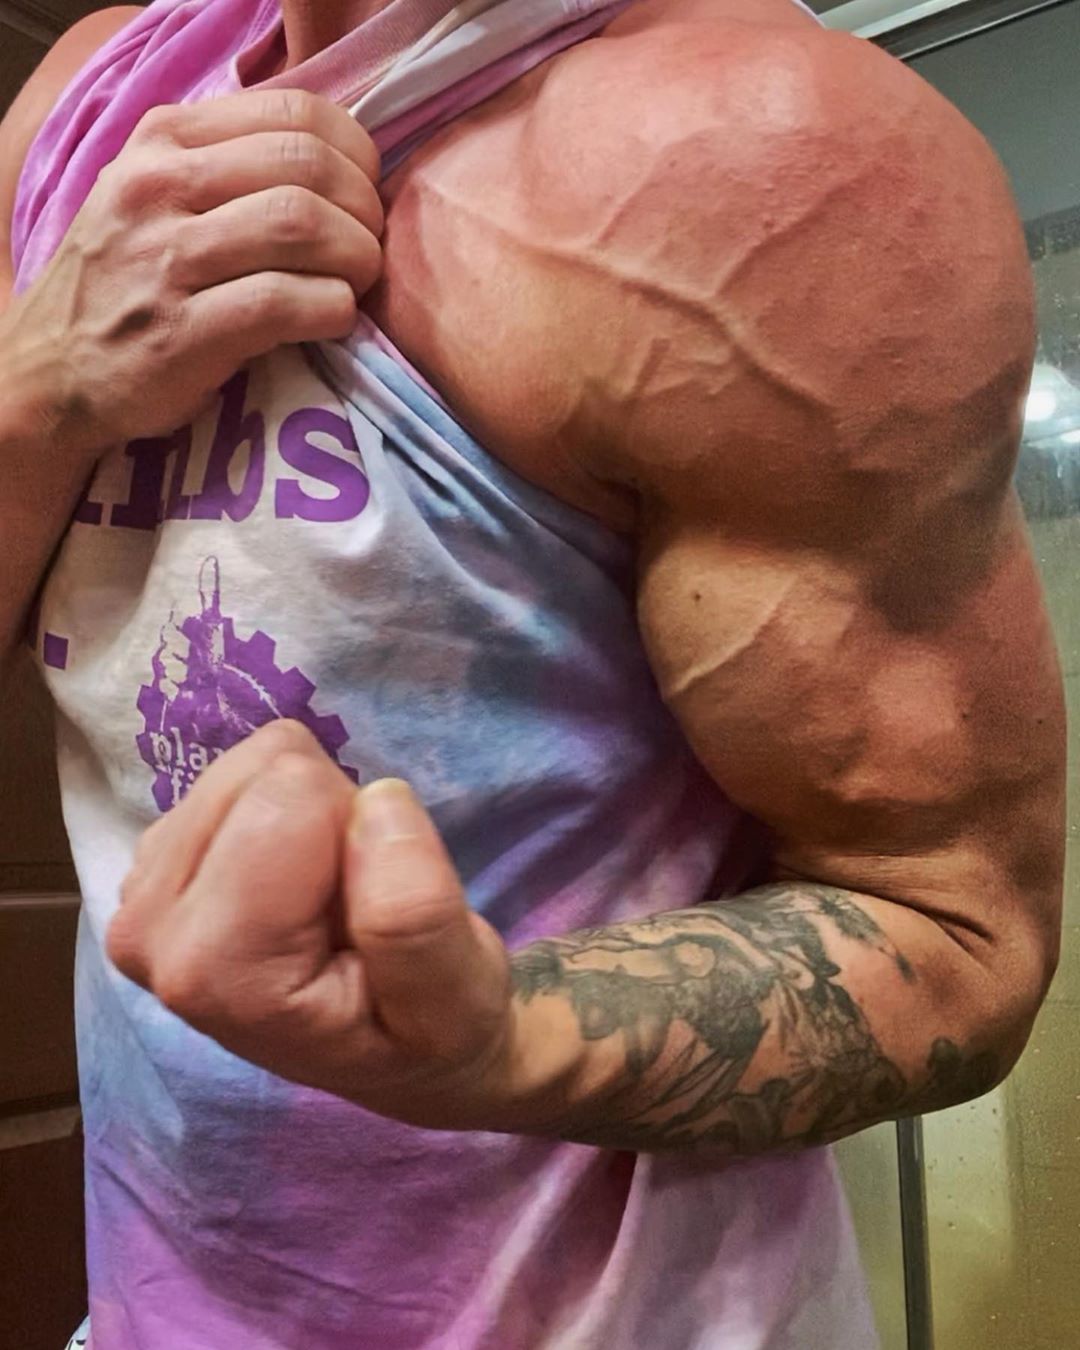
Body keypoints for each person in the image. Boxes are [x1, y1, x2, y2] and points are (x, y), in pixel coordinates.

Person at [0, 0, 1064, 1346]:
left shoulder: (763, 150)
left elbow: (957, 938)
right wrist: (32, 403)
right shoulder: (85, 109)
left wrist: (501, 1038)